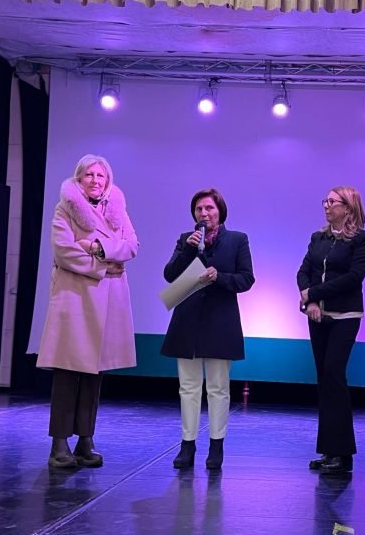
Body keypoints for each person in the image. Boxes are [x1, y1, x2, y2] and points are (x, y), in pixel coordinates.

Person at [37, 154, 138, 468]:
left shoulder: (117, 209)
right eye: (89, 175)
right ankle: (59, 443)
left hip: (107, 301)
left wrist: (96, 247)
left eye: (100, 175)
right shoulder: (65, 209)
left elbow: (131, 245)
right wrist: (103, 267)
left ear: (107, 181)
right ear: (78, 179)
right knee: (68, 371)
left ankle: (85, 439)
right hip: (74, 299)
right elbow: (64, 251)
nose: (95, 180)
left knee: (94, 372)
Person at [161, 188, 255, 470]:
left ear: (220, 211)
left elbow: (246, 279)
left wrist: (220, 277)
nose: (204, 213)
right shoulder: (186, 239)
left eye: (209, 208)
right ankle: (187, 445)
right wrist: (188, 250)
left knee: (218, 388)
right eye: (199, 209)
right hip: (187, 321)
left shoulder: (237, 240)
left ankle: (216, 445)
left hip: (220, 322)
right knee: (188, 387)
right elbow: (170, 275)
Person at [297, 186, 365, 475]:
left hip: (346, 317)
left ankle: (343, 454)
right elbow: (303, 272)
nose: (326, 205)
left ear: (348, 207)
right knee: (325, 380)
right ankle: (329, 451)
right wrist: (311, 302)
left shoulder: (362, 240)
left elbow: (353, 278)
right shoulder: (318, 238)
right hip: (318, 316)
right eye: (325, 201)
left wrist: (313, 293)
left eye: (332, 201)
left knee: (334, 375)